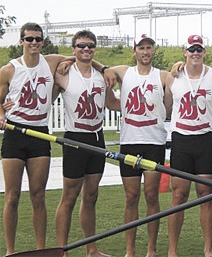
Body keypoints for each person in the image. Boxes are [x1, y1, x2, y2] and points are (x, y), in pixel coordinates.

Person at [0, 22, 113, 255]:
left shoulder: (51, 62)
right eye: (29, 39)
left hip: (40, 133)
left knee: (38, 195)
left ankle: (42, 250)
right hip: (15, 134)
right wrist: (2, 114)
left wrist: (104, 69)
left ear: (43, 41)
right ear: (21, 41)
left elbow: (85, 58)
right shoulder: (8, 70)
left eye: (38, 39)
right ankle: (10, 251)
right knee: (12, 197)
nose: (34, 43)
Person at [53, 30, 119, 257]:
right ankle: (62, 250)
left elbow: (112, 104)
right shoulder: (63, 72)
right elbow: (47, 58)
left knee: (91, 195)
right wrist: (67, 60)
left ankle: (92, 249)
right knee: (69, 196)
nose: (86, 49)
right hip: (75, 138)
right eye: (81, 45)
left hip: (97, 137)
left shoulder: (102, 76)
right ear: (73, 49)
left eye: (90, 45)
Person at [164, 34, 212, 257]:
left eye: (199, 49)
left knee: (205, 194)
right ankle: (172, 250)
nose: (195, 53)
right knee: (179, 195)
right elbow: (167, 108)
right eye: (192, 50)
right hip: (181, 139)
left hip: (205, 139)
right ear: (185, 52)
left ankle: (208, 249)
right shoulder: (174, 76)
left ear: (204, 52)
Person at [109, 34, 168, 257]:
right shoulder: (125, 72)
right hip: (130, 141)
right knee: (131, 196)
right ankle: (130, 249)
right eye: (141, 48)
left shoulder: (161, 75)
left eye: (149, 48)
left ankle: (151, 249)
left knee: (151, 194)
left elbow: (169, 104)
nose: (145, 52)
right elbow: (103, 68)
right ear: (134, 51)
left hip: (153, 142)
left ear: (153, 51)